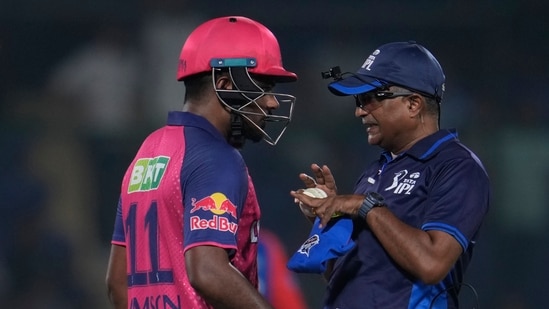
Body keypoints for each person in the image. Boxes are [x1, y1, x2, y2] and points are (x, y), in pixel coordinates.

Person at [105, 16, 298, 309]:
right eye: (264, 86)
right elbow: (208, 272)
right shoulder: (216, 158)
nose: (271, 102)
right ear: (224, 84)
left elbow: (118, 283)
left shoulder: (148, 151)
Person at [290, 41, 490, 308]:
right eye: (358, 101)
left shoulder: (457, 166)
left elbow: (432, 264)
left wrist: (364, 206)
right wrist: (331, 214)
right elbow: (344, 277)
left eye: (369, 98)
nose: (359, 111)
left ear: (413, 104)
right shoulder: (376, 169)